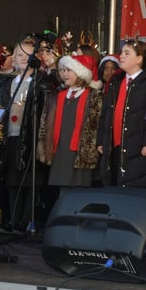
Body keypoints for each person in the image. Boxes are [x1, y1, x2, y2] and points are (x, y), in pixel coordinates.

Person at [0, 36, 56, 231]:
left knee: (31, 179)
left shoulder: (41, 82)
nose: (23, 58)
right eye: (20, 55)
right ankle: (12, 218)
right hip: (11, 135)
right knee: (12, 179)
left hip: (30, 136)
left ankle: (27, 218)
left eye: (28, 55)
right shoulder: (8, 83)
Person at [97, 39, 146, 189]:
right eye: (122, 52)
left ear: (139, 59)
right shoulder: (116, 81)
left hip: (138, 146)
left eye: (127, 53)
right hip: (115, 146)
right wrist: (102, 140)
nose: (121, 56)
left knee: (133, 189)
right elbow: (106, 112)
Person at [46, 54, 103, 194]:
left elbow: (96, 123)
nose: (64, 74)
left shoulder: (93, 96)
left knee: (79, 189)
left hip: (80, 150)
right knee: (63, 188)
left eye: (68, 70)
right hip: (61, 148)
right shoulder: (58, 95)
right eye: (62, 70)